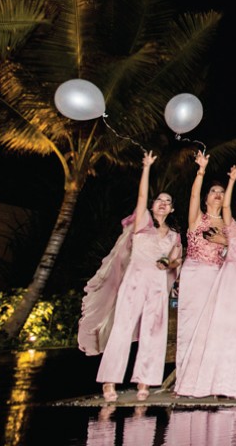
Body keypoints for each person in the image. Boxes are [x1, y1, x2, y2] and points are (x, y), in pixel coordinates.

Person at [93, 151, 182, 402]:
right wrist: (146, 168)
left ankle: (144, 381)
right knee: (122, 326)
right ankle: (109, 381)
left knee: (154, 330)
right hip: (135, 280)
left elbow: (177, 260)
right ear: (153, 206)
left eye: (167, 201)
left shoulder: (174, 235)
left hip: (157, 283)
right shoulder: (143, 223)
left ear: (172, 208)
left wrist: (169, 263)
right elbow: (141, 196)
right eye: (159, 200)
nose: (163, 203)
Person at [175, 175, 236, 399]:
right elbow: (221, 204)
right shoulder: (228, 226)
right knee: (205, 330)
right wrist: (224, 178)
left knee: (233, 332)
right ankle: (194, 382)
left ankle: (229, 384)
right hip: (214, 278)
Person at [175, 151, 234, 377]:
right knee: (190, 324)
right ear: (206, 198)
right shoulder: (198, 218)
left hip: (218, 277)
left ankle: (207, 376)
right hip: (195, 273)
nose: (217, 194)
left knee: (212, 326)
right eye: (213, 191)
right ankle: (184, 376)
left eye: (221, 192)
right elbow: (193, 195)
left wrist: (225, 241)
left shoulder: (229, 225)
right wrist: (201, 171)